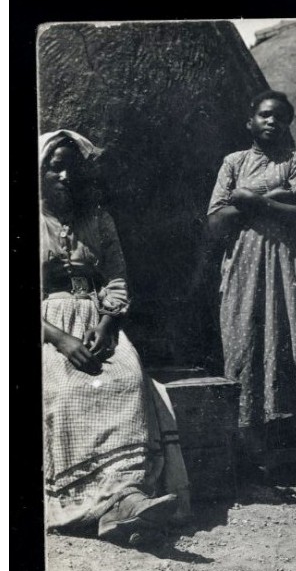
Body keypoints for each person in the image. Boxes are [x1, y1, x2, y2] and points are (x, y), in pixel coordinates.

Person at [41, 130, 187, 546]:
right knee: (66, 388)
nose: (66, 175)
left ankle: (127, 495)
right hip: (46, 325)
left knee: (127, 380)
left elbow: (117, 277)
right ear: (38, 171)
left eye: (73, 167)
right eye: (55, 167)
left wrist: (107, 323)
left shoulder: (98, 218)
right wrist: (62, 340)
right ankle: (92, 503)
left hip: (96, 319)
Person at [207, 90, 296, 467]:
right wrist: (271, 197)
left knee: (294, 340)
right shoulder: (233, 163)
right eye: (264, 115)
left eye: (280, 117)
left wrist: (253, 199)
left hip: (290, 264)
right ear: (250, 121)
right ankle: (251, 449)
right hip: (245, 266)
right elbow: (216, 222)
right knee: (246, 341)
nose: (271, 122)